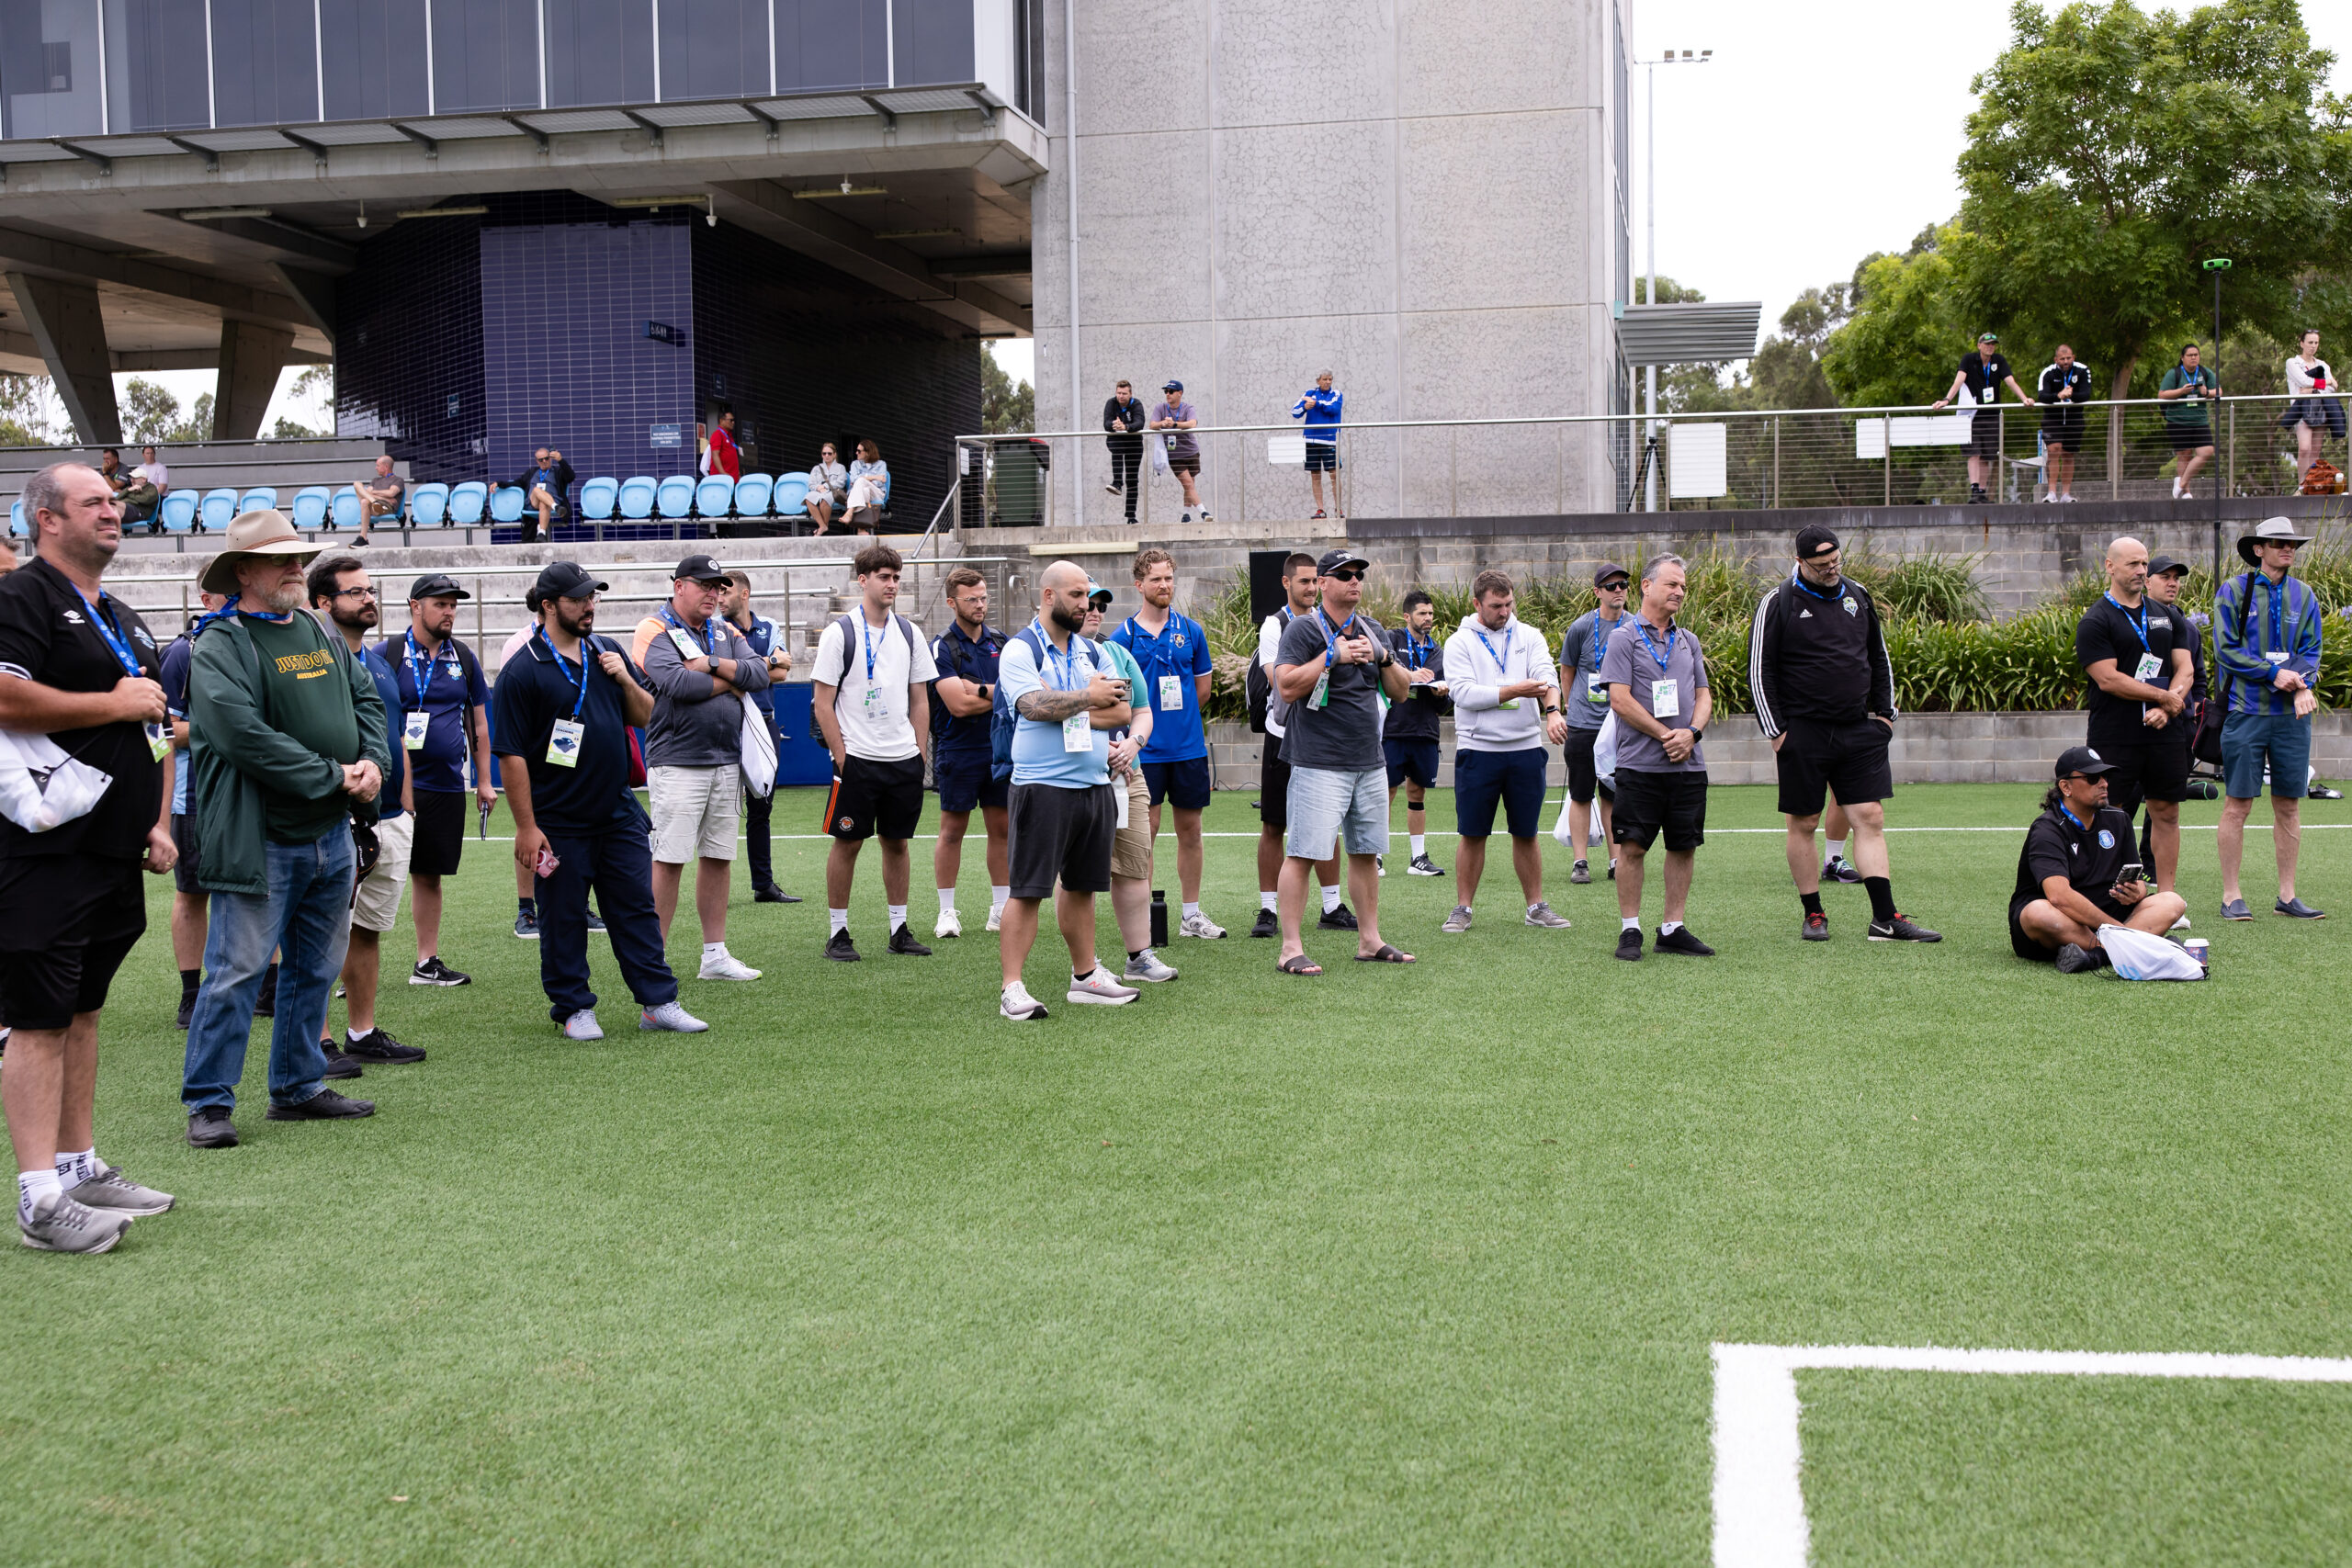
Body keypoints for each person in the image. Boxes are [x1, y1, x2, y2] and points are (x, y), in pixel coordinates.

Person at [0, 463, 177, 1251]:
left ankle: (78, 1166)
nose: (114, 511)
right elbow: (3, 696)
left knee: (83, 1008)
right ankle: (40, 1197)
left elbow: (150, 728)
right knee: (38, 1015)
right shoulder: (21, 597)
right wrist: (112, 703)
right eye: (95, 502)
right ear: (46, 518)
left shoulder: (121, 614)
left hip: (110, 850)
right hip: (45, 849)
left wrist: (155, 820)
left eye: (115, 502)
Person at [182, 508, 388, 1148]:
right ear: (243, 572)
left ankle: (298, 1087)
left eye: (298, 557)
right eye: (280, 560)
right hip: (262, 837)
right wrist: (335, 775)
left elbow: (366, 700)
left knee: (314, 970)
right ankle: (208, 1101)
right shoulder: (219, 643)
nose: (297, 568)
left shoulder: (318, 629)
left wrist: (373, 763)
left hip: (329, 832)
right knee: (236, 973)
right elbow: (242, 736)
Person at [496, 561, 707, 1040]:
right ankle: (574, 1007)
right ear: (549, 606)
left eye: (592, 597)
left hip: (617, 812)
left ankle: (658, 1001)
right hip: (558, 820)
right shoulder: (522, 669)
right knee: (563, 918)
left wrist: (626, 679)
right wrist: (527, 827)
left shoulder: (605, 649)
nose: (589, 606)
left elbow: (646, 716)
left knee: (637, 910)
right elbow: (510, 755)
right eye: (578, 599)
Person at [1750, 525, 1938, 943]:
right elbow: (1759, 670)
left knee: (1869, 817)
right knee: (1804, 822)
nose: (1832, 569)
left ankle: (1885, 919)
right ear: (1800, 562)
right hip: (1802, 732)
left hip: (1858, 730)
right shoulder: (1778, 602)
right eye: (1822, 565)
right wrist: (1777, 732)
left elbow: (1878, 656)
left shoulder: (1857, 594)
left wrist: (1885, 716)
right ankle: (1814, 913)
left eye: (1836, 560)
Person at [994, 561, 1140, 1018]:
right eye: (1076, 595)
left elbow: (1122, 712)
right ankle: (1012, 988)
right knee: (1027, 890)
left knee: (1081, 888)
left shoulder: (1093, 651)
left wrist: (1067, 703)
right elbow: (1031, 706)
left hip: (1094, 786)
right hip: (1041, 787)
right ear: (1049, 595)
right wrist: (1088, 697)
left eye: (1087, 596)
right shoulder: (1020, 649)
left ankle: (1085, 977)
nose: (1085, 605)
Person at [308, 555, 428, 1070]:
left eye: (370, 590)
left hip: (390, 815)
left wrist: (407, 805)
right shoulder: (310, 661)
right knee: (321, 930)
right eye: (355, 592)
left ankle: (362, 1031)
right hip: (338, 814)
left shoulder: (379, 661)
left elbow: (394, 733)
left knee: (368, 929)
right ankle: (317, 1042)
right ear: (323, 602)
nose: (368, 599)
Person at [1271, 549, 1414, 973]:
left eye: (1359, 575)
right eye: (1344, 574)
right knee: (1303, 854)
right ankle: (1290, 948)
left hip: (1369, 761)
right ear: (1323, 583)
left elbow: (1402, 692)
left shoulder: (1372, 630)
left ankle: (1370, 940)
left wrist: (1383, 656)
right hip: (1318, 763)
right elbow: (1285, 686)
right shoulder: (1302, 628)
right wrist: (1330, 657)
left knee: (1366, 853)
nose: (1354, 581)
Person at [639, 554, 769, 980]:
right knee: (669, 860)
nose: (714, 593)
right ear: (679, 586)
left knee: (718, 857)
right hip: (677, 761)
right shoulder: (656, 628)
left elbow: (759, 673)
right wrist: (733, 681)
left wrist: (713, 665)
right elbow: (677, 683)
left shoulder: (724, 630)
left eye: (718, 587)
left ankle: (714, 955)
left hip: (726, 759)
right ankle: (653, 961)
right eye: (705, 585)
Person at [811, 542, 938, 960]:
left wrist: (919, 753)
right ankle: (838, 932)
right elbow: (822, 703)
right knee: (847, 843)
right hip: (858, 759)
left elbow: (920, 699)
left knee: (897, 843)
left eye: (896, 577)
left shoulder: (910, 632)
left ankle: (899, 929)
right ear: (862, 580)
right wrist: (842, 756)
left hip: (903, 759)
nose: (892, 584)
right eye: (884, 577)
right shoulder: (840, 633)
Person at [378, 573, 492, 988]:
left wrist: (483, 780)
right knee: (367, 874)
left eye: (453, 605)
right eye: (441, 604)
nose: (449, 612)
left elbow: (479, 722)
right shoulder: (387, 653)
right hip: (391, 786)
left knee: (429, 874)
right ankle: (349, 968)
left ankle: (426, 962)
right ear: (415, 606)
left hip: (445, 784)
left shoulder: (462, 656)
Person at [1439, 570, 1568, 933]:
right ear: (1477, 603)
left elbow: (1547, 677)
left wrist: (1553, 711)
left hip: (1525, 748)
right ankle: (1463, 908)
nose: (1505, 611)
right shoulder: (1460, 642)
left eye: (1509, 603)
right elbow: (1463, 693)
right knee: (1473, 833)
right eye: (1496, 606)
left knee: (1526, 832)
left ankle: (1536, 907)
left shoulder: (1529, 635)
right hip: (1478, 750)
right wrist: (1515, 690)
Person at [1106, 547, 1224, 938]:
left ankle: (1191, 915)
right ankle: (1142, 918)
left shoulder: (1191, 630)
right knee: (1146, 833)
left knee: (1191, 831)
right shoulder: (1123, 637)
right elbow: (1119, 701)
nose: (1164, 585)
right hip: (1144, 751)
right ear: (1139, 584)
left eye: (1169, 578)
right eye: (1155, 579)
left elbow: (1202, 690)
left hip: (1188, 749)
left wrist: (1181, 722)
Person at [2214, 517, 2324, 921]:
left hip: (2291, 717)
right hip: (2245, 712)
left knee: (2289, 806)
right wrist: (2272, 673)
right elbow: (2226, 650)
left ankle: (2287, 896)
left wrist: (2302, 684)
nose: (2288, 549)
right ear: (2259, 549)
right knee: (2237, 805)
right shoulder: (2233, 591)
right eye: (2279, 543)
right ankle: (2231, 896)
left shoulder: (2304, 594)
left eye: (2292, 544)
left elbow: (2312, 650)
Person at [1604, 555, 1714, 961]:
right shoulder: (1624, 638)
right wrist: (1666, 734)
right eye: (1672, 584)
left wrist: (1692, 734)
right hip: (1640, 764)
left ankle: (1672, 927)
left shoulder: (1688, 640)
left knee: (1683, 846)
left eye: (1683, 586)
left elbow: (1703, 695)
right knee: (1632, 847)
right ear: (1647, 586)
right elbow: (1619, 699)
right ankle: (1629, 929)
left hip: (1688, 764)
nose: (1680, 592)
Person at [2073, 536, 2194, 903]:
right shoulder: (2096, 620)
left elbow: (2185, 667)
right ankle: (2108, 896)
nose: (2142, 571)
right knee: (2110, 813)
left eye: (2144, 564)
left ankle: (2166, 898)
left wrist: (2168, 707)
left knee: (2166, 812)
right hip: (2116, 734)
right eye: (2133, 564)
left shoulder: (2167, 615)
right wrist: (2162, 697)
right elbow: (2108, 679)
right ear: (2110, 567)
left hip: (2165, 731)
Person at [2010, 746, 2188, 972]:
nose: (2104, 783)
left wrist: (2137, 892)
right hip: (2064, 919)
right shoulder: (2047, 829)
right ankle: (2138, 948)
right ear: (2066, 787)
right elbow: (2059, 897)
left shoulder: (2119, 819)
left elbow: (2138, 880)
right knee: (2038, 913)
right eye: (2093, 778)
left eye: (2105, 777)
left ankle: (2095, 957)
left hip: (2109, 916)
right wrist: (2118, 930)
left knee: (2172, 902)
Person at [1083, 581, 1177, 984]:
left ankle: (1139, 957)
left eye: (1101, 605)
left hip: (1128, 774)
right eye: (1087, 603)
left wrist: (1132, 744)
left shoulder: (1118, 653)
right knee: (1080, 876)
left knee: (1136, 867)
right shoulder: (1053, 656)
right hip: (1077, 777)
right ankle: (1086, 964)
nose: (1094, 611)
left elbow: (1142, 711)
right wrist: (1097, 747)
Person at [1251, 551, 1344, 937]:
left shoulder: (1331, 620)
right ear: (1286, 583)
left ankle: (1332, 905)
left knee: (1328, 824)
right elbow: (1280, 683)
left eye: (1314, 581)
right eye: (1303, 581)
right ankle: (1268, 909)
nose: (1310, 588)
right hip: (1283, 737)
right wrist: (1328, 661)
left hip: (1321, 739)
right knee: (1274, 825)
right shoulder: (1274, 625)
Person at [160, 589, 230, 1030]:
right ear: (206, 599)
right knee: (192, 893)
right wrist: (232, 727)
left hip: (247, 792)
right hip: (195, 797)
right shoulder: (182, 653)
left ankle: (269, 985)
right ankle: (191, 995)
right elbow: (166, 729)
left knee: (261, 889)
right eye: (229, 593)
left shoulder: (251, 643)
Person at [929, 566, 1011, 937]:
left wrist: (976, 689)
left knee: (1002, 829)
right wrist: (997, 693)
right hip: (958, 749)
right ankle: (947, 912)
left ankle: (1001, 909)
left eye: (983, 598)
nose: (980, 605)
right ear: (952, 602)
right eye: (971, 599)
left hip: (999, 748)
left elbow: (1017, 695)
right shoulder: (941, 646)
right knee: (952, 831)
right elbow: (957, 706)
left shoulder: (1002, 642)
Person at [721, 569, 800, 905]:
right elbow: (724, 673)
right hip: (727, 724)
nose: (719, 597)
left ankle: (763, 885)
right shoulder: (716, 628)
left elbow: (782, 672)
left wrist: (743, 671)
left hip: (765, 726)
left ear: (744, 594)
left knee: (761, 806)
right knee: (720, 808)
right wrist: (765, 663)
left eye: (725, 592)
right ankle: (715, 889)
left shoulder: (768, 625)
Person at [1557, 562, 1631, 884]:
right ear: (1598, 592)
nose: (1619, 591)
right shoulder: (1582, 628)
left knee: (1614, 793)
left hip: (1620, 723)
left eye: (1623, 585)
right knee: (1581, 793)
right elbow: (1568, 670)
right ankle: (1580, 861)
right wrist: (1570, 707)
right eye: (1611, 586)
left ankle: (1617, 860)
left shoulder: (1634, 626)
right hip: (1584, 724)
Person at [1384, 590, 1449, 877]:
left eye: (1431, 613)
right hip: (1393, 730)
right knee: (1386, 792)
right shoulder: (1392, 640)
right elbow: (1382, 672)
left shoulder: (1438, 652)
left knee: (1417, 793)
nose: (1428, 618)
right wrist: (1410, 676)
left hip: (1425, 733)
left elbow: (1444, 705)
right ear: (1407, 616)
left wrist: (1441, 693)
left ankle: (1418, 858)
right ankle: (1375, 857)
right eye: (1422, 613)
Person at [1931, 332, 2035, 503]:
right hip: (1971, 414)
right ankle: (1974, 489)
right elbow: (1959, 380)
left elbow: (2010, 381)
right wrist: (1946, 400)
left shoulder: (1999, 361)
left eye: (1993, 344)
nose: (1990, 347)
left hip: (1991, 415)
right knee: (1973, 453)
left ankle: (1982, 492)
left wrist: (2024, 398)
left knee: (1987, 455)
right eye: (1987, 344)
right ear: (1979, 345)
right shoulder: (1969, 359)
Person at [2158, 343, 2219, 501]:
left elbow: (2218, 391)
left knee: (2206, 452)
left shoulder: (2205, 372)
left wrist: (2207, 392)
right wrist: (2181, 391)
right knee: (2184, 456)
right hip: (2178, 420)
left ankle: (2181, 482)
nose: (2193, 358)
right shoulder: (2174, 373)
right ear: (2182, 357)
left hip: (2200, 420)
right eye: (2190, 355)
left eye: (2196, 355)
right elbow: (2162, 394)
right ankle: (2186, 493)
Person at [2035, 344, 2092, 502]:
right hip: (2053, 418)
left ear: (2073, 357)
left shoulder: (2082, 370)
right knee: (2054, 450)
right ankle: (2051, 492)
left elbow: (2086, 394)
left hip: (2074, 418)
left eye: (2068, 358)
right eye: (2062, 359)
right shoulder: (2047, 372)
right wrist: (2058, 396)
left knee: (2068, 454)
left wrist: (2070, 395)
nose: (2066, 361)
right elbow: (2042, 396)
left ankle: (2066, 494)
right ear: (2056, 359)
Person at [1150, 379, 1213, 523]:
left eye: (1171, 391)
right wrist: (1162, 423)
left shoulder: (1188, 408)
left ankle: (1186, 514)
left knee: (1190, 484)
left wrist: (1175, 424)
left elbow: (1192, 423)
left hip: (1191, 451)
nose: (1168, 394)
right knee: (1188, 484)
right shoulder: (1160, 408)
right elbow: (1152, 424)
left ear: (1180, 393)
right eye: (1166, 391)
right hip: (1174, 455)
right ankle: (1204, 512)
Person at [2283, 330, 2338, 483]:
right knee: (2304, 448)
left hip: (2321, 410)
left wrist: (2313, 389)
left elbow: (2333, 388)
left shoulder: (2322, 364)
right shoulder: (2293, 363)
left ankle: (2312, 485)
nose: (2313, 346)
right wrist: (2327, 382)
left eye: (2316, 343)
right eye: (2310, 342)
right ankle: (2302, 484)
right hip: (2302, 411)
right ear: (2302, 343)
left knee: (2315, 450)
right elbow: (2304, 381)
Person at [1292, 370, 1343, 519]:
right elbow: (1295, 411)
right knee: (1315, 475)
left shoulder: (1336, 394)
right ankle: (1320, 509)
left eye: (1330, 379)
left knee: (1334, 475)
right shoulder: (1309, 393)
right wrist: (1305, 407)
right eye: (1325, 379)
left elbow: (1334, 408)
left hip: (1329, 440)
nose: (1328, 382)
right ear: (1318, 381)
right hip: (1311, 441)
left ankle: (1338, 509)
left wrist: (1316, 403)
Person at [1102, 379, 1147, 523]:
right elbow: (1106, 423)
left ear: (1130, 394)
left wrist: (1126, 427)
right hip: (1116, 440)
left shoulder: (1136, 404)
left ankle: (1131, 517)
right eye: (1119, 393)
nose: (1121, 396)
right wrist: (1115, 425)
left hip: (1134, 444)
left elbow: (1140, 423)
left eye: (1124, 394)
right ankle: (1117, 482)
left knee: (1132, 480)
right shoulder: (1111, 403)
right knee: (1117, 448)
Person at [516, 446, 576, 546]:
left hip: (550, 502)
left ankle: (541, 533)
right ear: (537, 461)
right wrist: (498, 484)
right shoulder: (531, 472)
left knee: (543, 503)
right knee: (536, 490)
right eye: (541, 460)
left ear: (550, 458)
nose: (544, 461)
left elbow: (571, 477)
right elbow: (517, 482)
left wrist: (560, 460)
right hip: (533, 503)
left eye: (547, 458)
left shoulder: (557, 471)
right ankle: (556, 507)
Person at [351, 454, 403, 547]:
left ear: (386, 467)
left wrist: (373, 493)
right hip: (374, 505)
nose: (376, 468)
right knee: (357, 484)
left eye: (378, 465)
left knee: (365, 500)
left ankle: (363, 538)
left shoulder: (398, 480)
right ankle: (374, 502)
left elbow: (391, 493)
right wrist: (382, 497)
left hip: (386, 507)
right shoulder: (375, 480)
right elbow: (367, 493)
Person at [844, 440, 889, 531]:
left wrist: (864, 480)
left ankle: (850, 511)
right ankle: (862, 529)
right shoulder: (855, 464)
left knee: (861, 481)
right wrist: (875, 477)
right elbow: (853, 480)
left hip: (876, 492)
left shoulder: (881, 464)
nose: (856, 453)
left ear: (868, 453)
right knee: (864, 490)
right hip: (862, 492)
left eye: (859, 451)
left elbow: (879, 483)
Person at [806, 443, 849, 533]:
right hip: (818, 492)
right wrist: (818, 488)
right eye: (824, 453)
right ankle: (822, 526)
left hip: (833, 492)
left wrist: (825, 486)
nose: (826, 456)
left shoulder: (841, 467)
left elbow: (841, 482)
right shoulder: (816, 468)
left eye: (829, 453)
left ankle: (823, 529)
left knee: (825, 498)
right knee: (808, 497)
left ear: (834, 454)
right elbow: (811, 484)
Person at [704, 410, 741, 481]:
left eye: (733, 420)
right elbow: (715, 454)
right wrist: (723, 473)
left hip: (732, 478)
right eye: (731, 420)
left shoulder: (729, 436)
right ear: (721, 420)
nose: (733, 422)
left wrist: (737, 473)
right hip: (721, 479)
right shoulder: (717, 434)